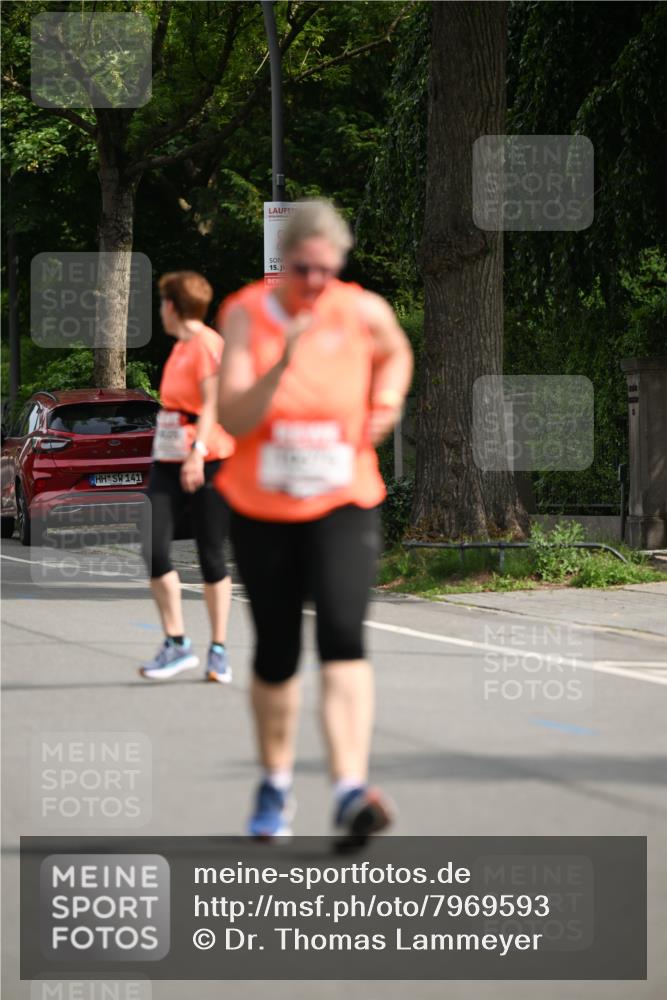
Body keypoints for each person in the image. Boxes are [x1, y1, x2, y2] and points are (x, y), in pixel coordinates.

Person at [216, 200, 413, 845]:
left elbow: (397, 352)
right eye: (302, 269)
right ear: (283, 262)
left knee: (342, 635)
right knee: (277, 649)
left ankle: (351, 790)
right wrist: (282, 363)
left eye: (326, 270)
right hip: (262, 506)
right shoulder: (245, 314)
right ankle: (275, 783)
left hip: (343, 498)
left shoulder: (362, 310)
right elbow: (234, 417)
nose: (315, 282)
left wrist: (386, 402)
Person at [139, 271, 235, 683]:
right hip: (168, 458)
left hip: (208, 458)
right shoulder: (179, 347)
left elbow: (212, 404)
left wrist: (198, 453)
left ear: (173, 306)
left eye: (163, 302)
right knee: (153, 547)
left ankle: (218, 650)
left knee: (210, 552)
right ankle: (176, 643)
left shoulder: (208, 344)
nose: (160, 309)